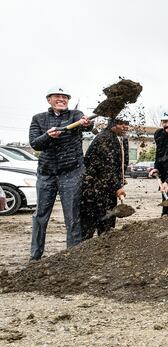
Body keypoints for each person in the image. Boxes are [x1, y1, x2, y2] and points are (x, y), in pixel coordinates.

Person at [28, 86, 93, 260]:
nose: (62, 99)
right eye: (57, 96)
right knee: (40, 216)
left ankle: (73, 257)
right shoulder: (39, 119)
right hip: (46, 174)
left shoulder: (75, 115)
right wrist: (48, 136)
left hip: (71, 172)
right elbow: (35, 143)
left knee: (72, 216)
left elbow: (87, 123)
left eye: (65, 97)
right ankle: (35, 256)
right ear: (49, 99)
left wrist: (88, 123)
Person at [80, 116, 130, 239]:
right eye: (121, 123)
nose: (125, 126)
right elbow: (106, 167)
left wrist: (121, 179)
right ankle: (84, 254)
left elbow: (121, 163)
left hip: (108, 190)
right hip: (93, 189)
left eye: (127, 123)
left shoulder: (122, 139)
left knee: (107, 227)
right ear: (112, 124)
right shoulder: (105, 138)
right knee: (89, 227)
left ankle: (104, 253)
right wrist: (117, 186)